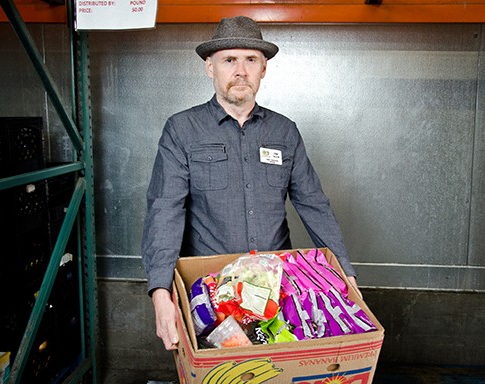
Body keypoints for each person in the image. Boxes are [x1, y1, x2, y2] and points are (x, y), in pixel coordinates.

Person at [141, 15, 360, 351]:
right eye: (229, 60)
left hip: (277, 292)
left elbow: (314, 205)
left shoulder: (284, 132)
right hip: (210, 293)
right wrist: (160, 291)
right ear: (210, 67)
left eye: (251, 60)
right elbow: (164, 209)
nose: (240, 71)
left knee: (272, 371)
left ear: (263, 69)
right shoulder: (182, 130)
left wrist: (346, 275)